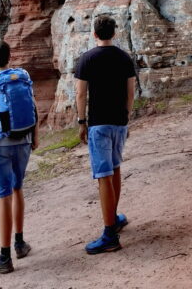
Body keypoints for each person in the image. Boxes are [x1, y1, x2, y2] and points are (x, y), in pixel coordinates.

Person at [74, 14, 137, 254]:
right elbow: (130, 92)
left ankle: (109, 234)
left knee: (103, 175)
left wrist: (82, 122)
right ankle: (114, 218)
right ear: (114, 33)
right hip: (119, 122)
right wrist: (126, 116)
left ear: (94, 34)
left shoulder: (86, 59)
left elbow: (81, 94)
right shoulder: (124, 58)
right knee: (116, 168)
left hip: (98, 124)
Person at [0, 40, 38, 275]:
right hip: (23, 139)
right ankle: (20, 244)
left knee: (4, 196)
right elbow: (34, 108)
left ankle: (5, 257)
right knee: (18, 189)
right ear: (9, 57)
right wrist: (35, 136)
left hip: (2, 143)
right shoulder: (22, 75)